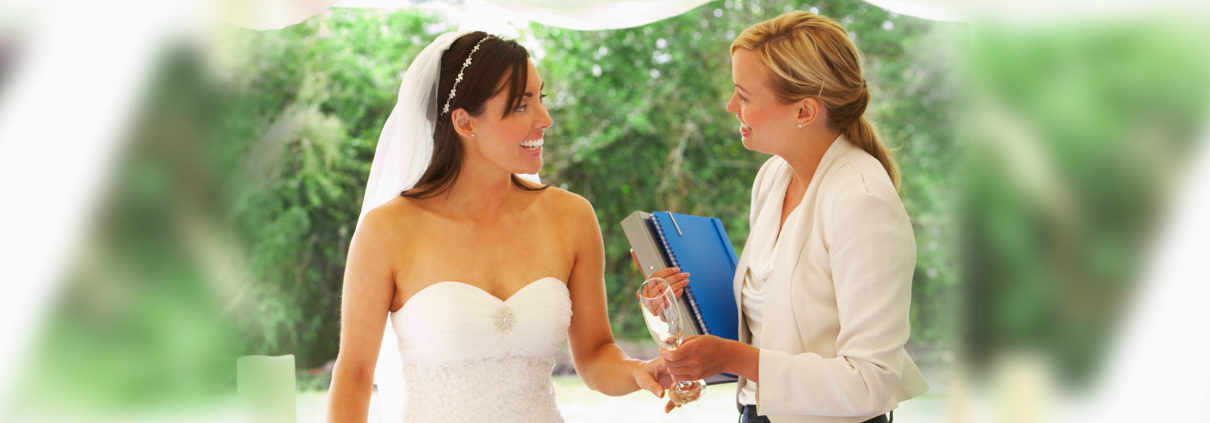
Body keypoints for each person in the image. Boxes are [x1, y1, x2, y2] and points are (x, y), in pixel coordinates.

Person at [326, 31, 685, 423]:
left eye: (540, 99)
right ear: (465, 122)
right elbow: (355, 376)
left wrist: (636, 371)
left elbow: (596, 354)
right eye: (520, 106)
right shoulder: (388, 231)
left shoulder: (572, 217)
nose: (544, 120)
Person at [658, 11, 928, 423]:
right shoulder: (773, 176)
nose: (731, 106)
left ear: (804, 111)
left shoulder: (863, 201)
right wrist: (677, 311)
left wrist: (735, 357)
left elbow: (871, 381)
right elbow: (772, 322)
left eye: (744, 95)